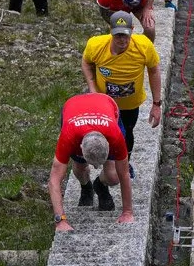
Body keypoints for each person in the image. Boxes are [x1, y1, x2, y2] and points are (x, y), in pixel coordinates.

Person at [82, 11, 162, 162]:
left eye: (125, 34)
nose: (122, 39)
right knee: (104, 134)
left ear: (132, 29)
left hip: (130, 104)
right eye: (118, 35)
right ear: (110, 31)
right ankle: (107, 166)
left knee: (127, 132)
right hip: (104, 104)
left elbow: (154, 70)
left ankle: (126, 162)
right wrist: (92, 87)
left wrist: (156, 104)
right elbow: (86, 62)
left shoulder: (144, 46)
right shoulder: (96, 45)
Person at [48, 91, 133, 229]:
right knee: (80, 167)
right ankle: (86, 186)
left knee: (114, 176)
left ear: (109, 144)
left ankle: (100, 185)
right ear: (80, 147)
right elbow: (54, 180)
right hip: (72, 108)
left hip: (106, 104)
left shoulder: (115, 135)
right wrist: (60, 221)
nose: (95, 168)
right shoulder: (68, 136)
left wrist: (127, 212)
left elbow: (124, 174)